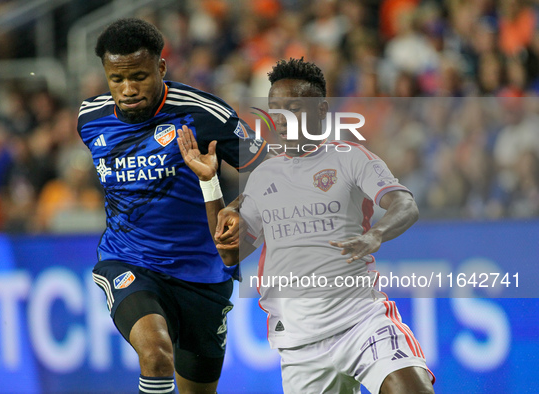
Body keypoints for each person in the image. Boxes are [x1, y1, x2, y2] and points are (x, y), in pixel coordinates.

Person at [179, 58, 435, 393]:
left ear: (322, 110)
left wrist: (376, 234)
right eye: (275, 109)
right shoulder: (263, 177)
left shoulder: (352, 158)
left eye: (294, 108)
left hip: (360, 321)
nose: (281, 119)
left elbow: (405, 204)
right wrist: (209, 184)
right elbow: (230, 253)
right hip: (301, 343)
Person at [76, 18, 266, 394]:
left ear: (161, 68)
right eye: (117, 79)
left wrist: (238, 208)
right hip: (129, 261)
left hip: (202, 275)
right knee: (156, 352)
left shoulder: (202, 114)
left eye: (140, 77)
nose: (128, 89)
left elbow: (272, 173)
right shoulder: (90, 120)